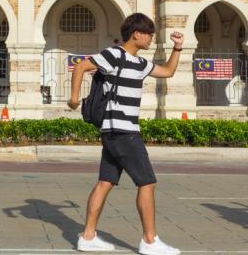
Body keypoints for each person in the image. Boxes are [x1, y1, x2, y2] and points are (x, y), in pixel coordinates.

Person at [67, 13, 185, 255]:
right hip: (123, 132)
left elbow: (168, 72)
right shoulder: (114, 55)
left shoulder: (140, 63)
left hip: (114, 132)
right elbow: (81, 66)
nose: (151, 38)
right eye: (149, 33)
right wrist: (74, 98)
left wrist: (178, 48)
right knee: (147, 182)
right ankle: (149, 241)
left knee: (105, 182)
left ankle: (88, 237)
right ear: (136, 34)